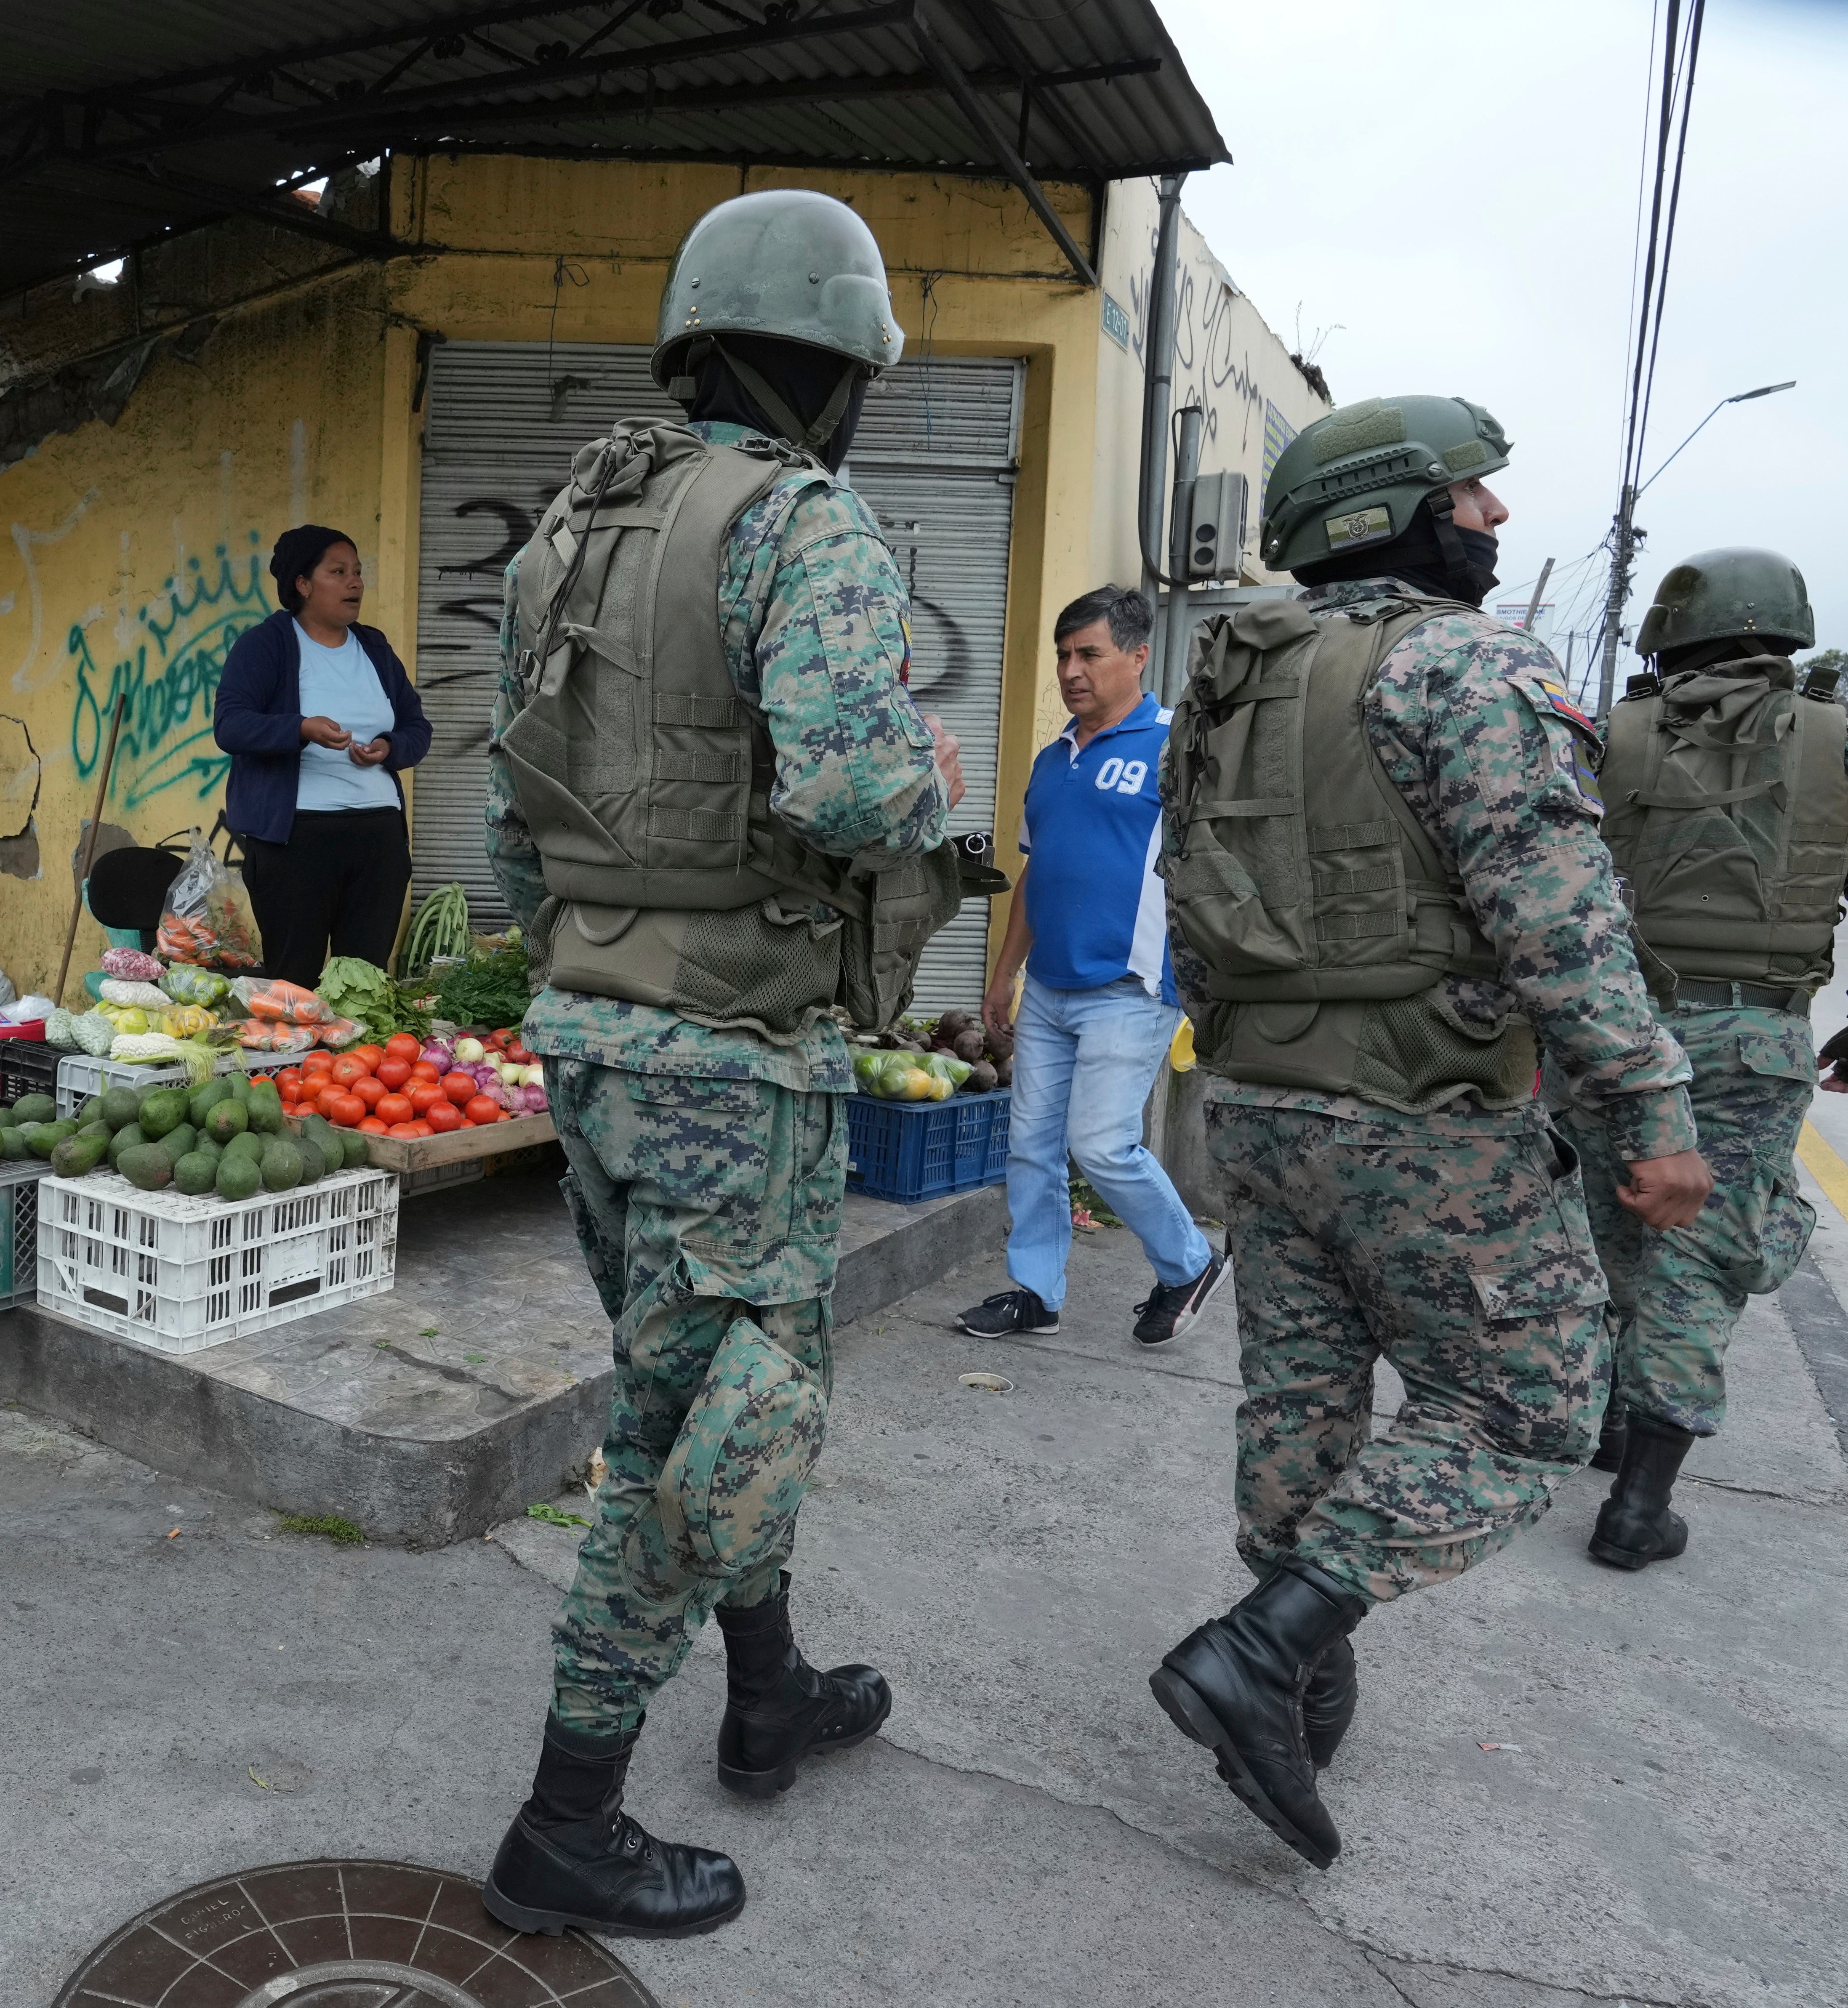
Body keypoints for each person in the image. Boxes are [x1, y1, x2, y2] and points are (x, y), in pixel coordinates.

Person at [481, 187, 965, 1941]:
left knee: (698, 1386)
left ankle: (768, 1688)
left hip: (596, 1037)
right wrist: (927, 788)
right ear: (831, 367)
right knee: (713, 1421)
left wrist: (588, 971)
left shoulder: (571, 531)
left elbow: (512, 813)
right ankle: (567, 1818)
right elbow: (852, 793)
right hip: (731, 1055)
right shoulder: (799, 523)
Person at [1153, 394, 1710, 1870]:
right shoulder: (1461, 665)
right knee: (1526, 1405)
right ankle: (1269, 1648)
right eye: (1467, 494)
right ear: (1384, 511)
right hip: (1421, 1115)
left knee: (1300, 1398)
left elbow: (1187, 899)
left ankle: (1294, 1691)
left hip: (1258, 1107)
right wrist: (1648, 1112)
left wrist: (1253, 1067)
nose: (1492, 517)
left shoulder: (1224, 679)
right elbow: (1558, 921)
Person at [1555, 551, 1832, 1572]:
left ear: (1669, 635)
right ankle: (1638, 1506)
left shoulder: (1609, 734)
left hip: (1611, 1029)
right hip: (1756, 1037)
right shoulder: (1839, 742)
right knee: (1701, 1255)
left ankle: (1612, 1428)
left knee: (1611, 1232)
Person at [958, 586, 1224, 1348]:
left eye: (1089, 654)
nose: (1071, 671)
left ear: (1137, 657)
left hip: (1131, 987)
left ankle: (1188, 1263)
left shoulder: (1178, 747)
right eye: (1062, 656)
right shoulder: (1052, 759)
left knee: (1102, 1145)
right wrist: (1005, 972)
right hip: (1049, 988)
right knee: (1030, 1146)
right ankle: (1034, 1291)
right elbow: (1035, 877)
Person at [210, 526, 431, 979]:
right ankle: (298, 1054)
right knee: (295, 982)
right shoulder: (265, 644)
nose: (355, 583)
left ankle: (359, 1054)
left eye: (357, 572)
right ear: (303, 584)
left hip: (378, 837)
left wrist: (389, 747)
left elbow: (417, 727)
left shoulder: (374, 647)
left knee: (364, 980)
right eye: (338, 572)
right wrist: (300, 728)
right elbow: (229, 725)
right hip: (296, 841)